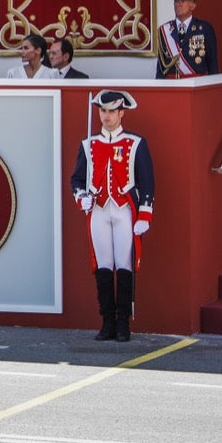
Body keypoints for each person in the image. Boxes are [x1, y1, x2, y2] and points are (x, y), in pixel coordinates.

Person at [71, 90, 154, 342]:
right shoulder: (88, 144)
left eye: (110, 111)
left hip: (124, 211)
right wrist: (81, 196)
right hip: (98, 210)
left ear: (121, 113)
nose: (105, 116)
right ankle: (106, 322)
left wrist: (144, 215)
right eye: (102, 111)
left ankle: (123, 325)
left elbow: (147, 182)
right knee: (103, 266)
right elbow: (76, 179)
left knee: (124, 266)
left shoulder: (135, 143)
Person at [155, 0, 218, 78]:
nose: (178, 4)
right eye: (176, 1)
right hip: (171, 85)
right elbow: (161, 66)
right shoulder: (164, 30)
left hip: (196, 85)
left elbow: (212, 63)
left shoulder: (205, 29)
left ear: (193, 6)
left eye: (182, 1)